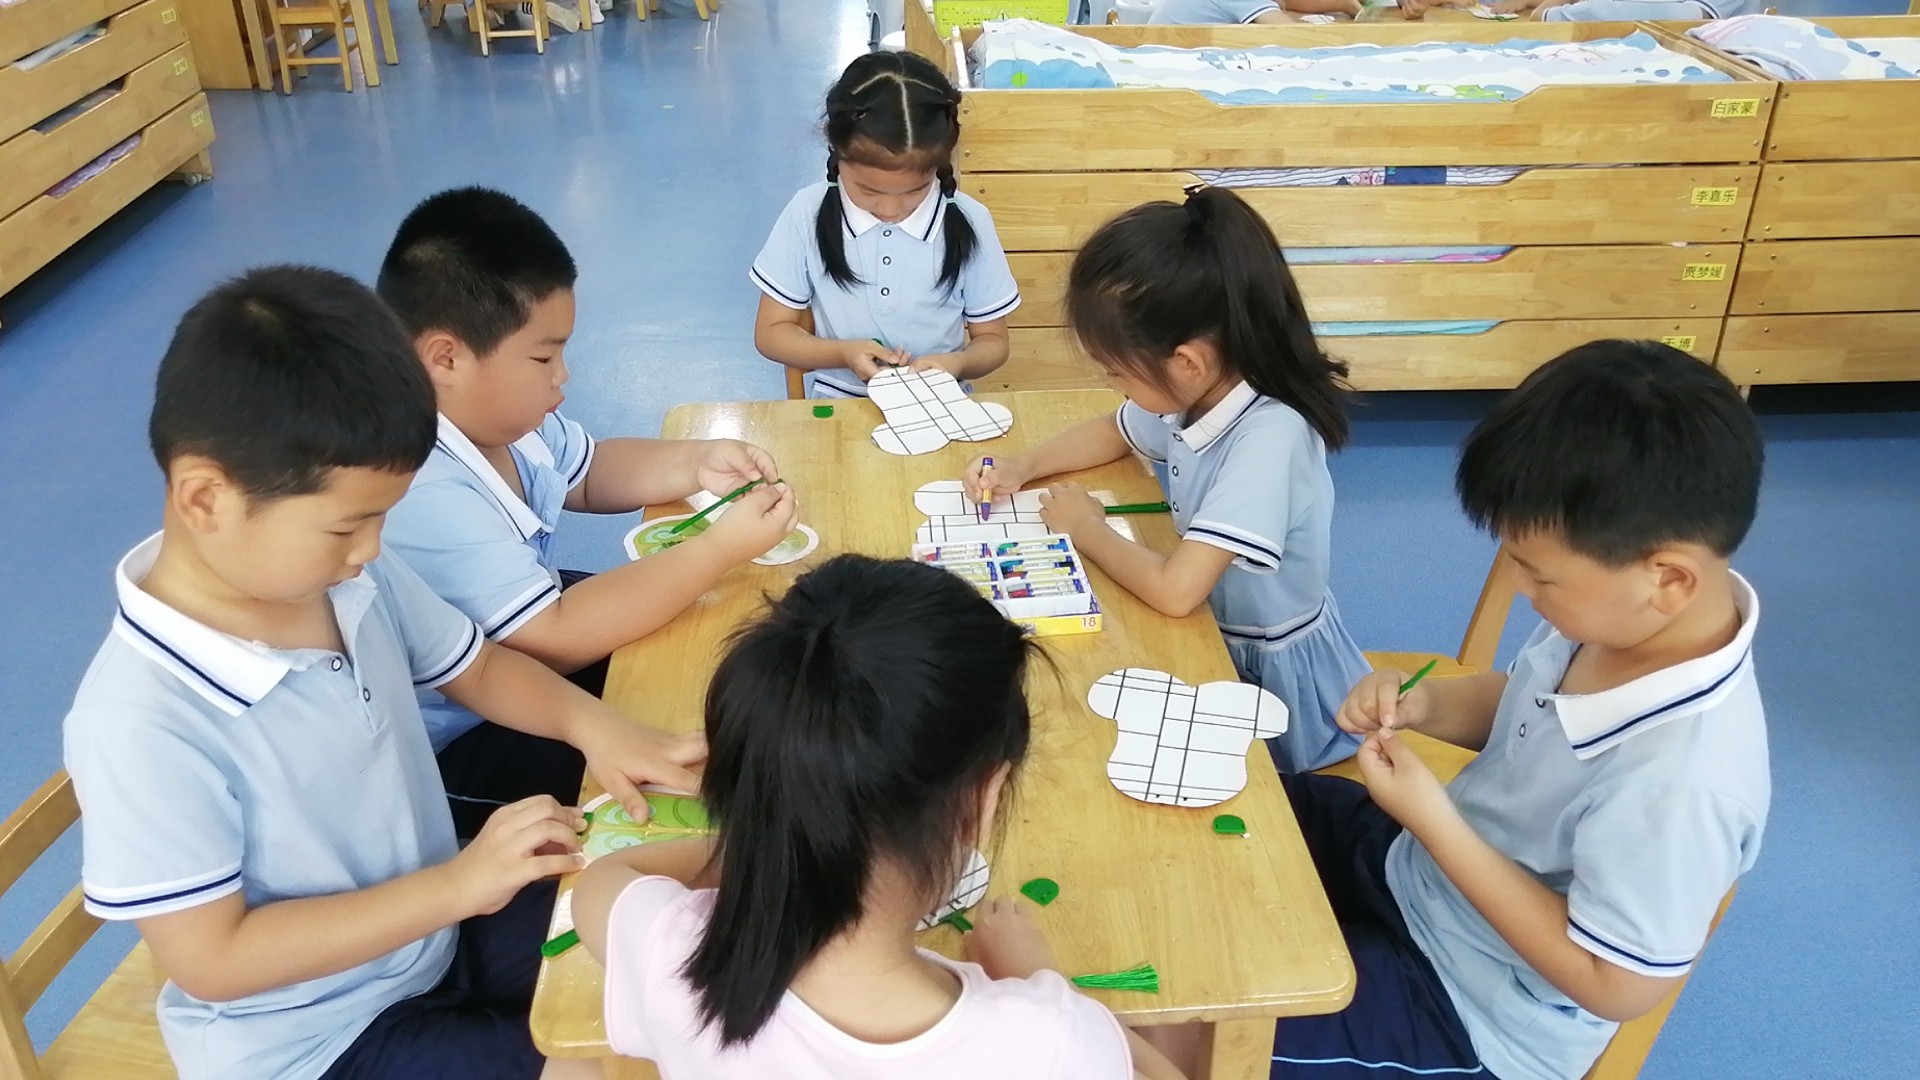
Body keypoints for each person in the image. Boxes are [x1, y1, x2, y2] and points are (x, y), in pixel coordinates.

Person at [64, 266, 706, 1080]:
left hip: (438, 930)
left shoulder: (343, 579)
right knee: (600, 1062)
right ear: (205, 499)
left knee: (677, 917)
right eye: (347, 526)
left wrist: (599, 727)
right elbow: (214, 960)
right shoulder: (137, 721)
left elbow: (477, 668)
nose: (372, 549)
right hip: (319, 1038)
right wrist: (461, 885)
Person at [1271, 340, 1770, 1079]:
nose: (1520, 588)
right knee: (1255, 806)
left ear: (1668, 579)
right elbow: (1523, 703)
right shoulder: (1622, 618)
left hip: (1470, 1011)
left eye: (1540, 576)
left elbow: (1616, 985)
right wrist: (1425, 702)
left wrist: (1433, 819)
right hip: (1419, 875)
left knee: (1210, 1030)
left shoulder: (1685, 783)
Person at [570, 555, 1187, 1080]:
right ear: (981, 799)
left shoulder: (672, 957)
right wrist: (1042, 979)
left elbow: (604, 881)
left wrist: (782, 831)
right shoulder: (1048, 1042)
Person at [376, 187, 796, 837]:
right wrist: (718, 547)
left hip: (533, 641)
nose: (562, 375)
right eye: (544, 356)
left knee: (704, 656)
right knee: (686, 766)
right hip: (464, 739)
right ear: (446, 357)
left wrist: (695, 462)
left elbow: (591, 471)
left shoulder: (500, 419)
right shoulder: (422, 487)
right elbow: (556, 635)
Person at [961, 186, 1367, 772]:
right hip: (1213, 632)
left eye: (1118, 373)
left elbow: (1177, 592)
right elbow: (1115, 430)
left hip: (1267, 671)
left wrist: (1087, 529)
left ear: (1187, 361)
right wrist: (1021, 466)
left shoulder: (1270, 437)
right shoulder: (1205, 389)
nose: (1115, 386)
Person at [751, 51, 1021, 399]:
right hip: (839, 405)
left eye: (915, 191)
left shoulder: (969, 220)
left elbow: (994, 341)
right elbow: (771, 333)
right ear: (836, 153)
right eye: (868, 191)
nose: (890, 209)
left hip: (941, 403)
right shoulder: (807, 213)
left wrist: (956, 364)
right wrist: (843, 354)